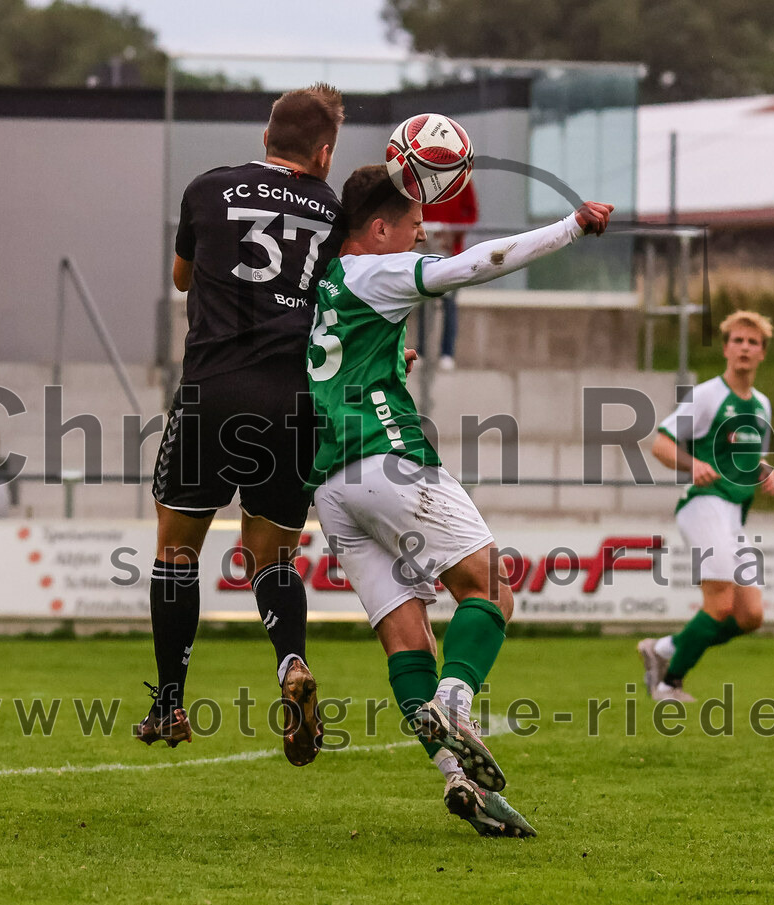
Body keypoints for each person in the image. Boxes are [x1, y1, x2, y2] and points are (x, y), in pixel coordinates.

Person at [307, 163, 613, 836]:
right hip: (387, 460)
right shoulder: (376, 271)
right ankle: (456, 698)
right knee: (494, 587)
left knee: (404, 635)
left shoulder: (326, 283)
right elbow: (473, 266)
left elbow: (333, 366)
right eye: (415, 226)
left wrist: (392, 364)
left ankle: (458, 778)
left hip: (330, 486)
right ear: (380, 228)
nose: (423, 235)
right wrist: (569, 226)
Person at [135, 84, 346, 767]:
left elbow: (180, 278)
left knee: (176, 550)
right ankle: (291, 663)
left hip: (213, 393)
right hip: (294, 403)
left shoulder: (208, 188)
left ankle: (169, 703)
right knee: (273, 557)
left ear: (264, 138)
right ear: (323, 153)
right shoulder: (333, 210)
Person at [638, 310, 774, 703]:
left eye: (753, 342)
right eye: (738, 340)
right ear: (726, 348)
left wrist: (765, 471)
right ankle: (668, 684)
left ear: (763, 353)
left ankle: (663, 649)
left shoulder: (762, 405)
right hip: (704, 506)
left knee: (750, 615)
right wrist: (693, 464)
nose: (745, 348)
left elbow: (745, 459)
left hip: (733, 514)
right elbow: (661, 443)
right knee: (718, 604)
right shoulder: (707, 395)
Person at [421, 179, 478, 370]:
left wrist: (452, 232)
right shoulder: (421, 175)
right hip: (424, 247)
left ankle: (447, 353)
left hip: (450, 250)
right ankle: (420, 350)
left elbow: (471, 213)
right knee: (421, 298)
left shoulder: (462, 179)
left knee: (449, 302)